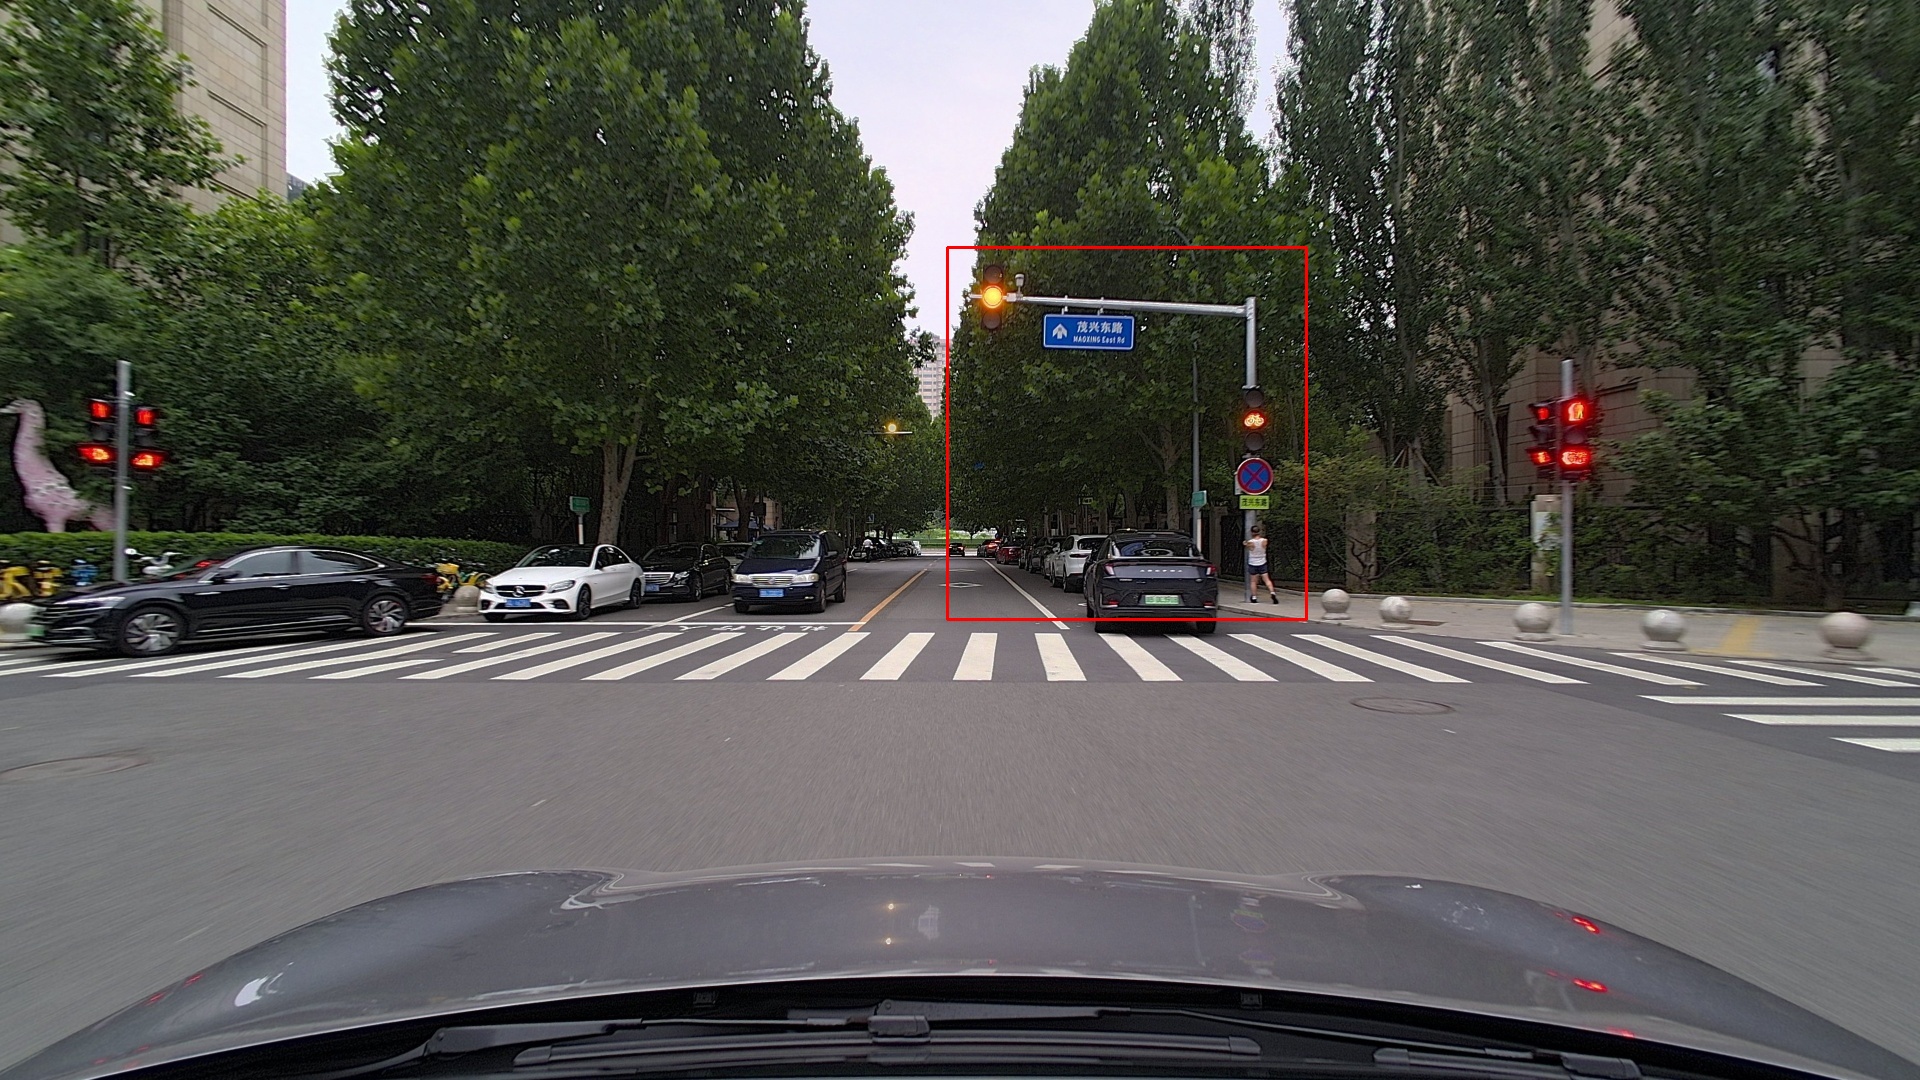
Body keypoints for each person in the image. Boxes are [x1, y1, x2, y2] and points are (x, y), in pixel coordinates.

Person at [1242, 524, 1278, 604]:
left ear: (1252, 532)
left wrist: (1245, 544)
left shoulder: (1250, 542)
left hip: (1253, 563)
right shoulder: (1264, 541)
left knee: (1253, 581)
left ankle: (1254, 597)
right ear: (1259, 532)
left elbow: (1247, 546)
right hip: (1262, 562)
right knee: (1267, 580)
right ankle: (1272, 592)